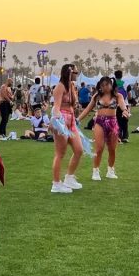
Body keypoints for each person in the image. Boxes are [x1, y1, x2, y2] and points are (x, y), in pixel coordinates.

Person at [78, 76, 127, 180]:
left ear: (111, 84)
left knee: (112, 149)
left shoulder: (118, 96)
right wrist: (77, 119)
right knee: (99, 148)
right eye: (102, 85)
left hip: (113, 123)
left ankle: (110, 170)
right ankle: (95, 171)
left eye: (107, 85)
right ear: (99, 86)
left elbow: (123, 105)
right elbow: (87, 109)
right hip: (99, 122)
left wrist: (125, 111)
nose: (104, 87)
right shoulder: (96, 96)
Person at [50, 63, 84, 192]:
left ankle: (69, 178)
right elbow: (56, 107)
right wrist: (58, 123)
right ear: (69, 73)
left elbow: (73, 105)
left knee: (79, 150)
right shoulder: (60, 87)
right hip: (62, 121)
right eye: (76, 72)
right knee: (60, 153)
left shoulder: (72, 86)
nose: (77, 74)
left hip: (71, 120)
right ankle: (56, 184)